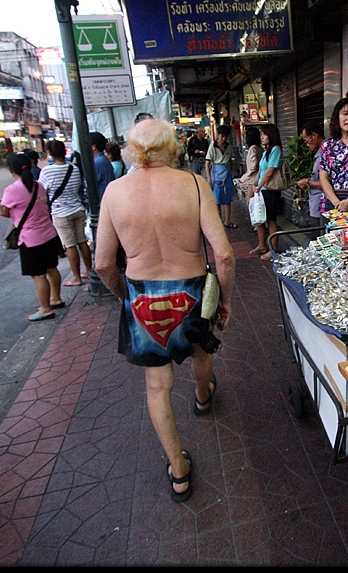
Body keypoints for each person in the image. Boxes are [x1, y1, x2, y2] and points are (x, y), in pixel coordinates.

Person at [94, 119, 235, 503]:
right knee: (202, 349)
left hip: (142, 297)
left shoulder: (114, 192)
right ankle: (203, 397)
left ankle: (179, 470)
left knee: (157, 387)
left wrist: (125, 295)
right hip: (191, 290)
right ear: (172, 147)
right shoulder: (193, 184)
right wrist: (224, 300)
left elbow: (104, 264)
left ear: (132, 150)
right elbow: (223, 254)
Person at [0, 152, 65, 321]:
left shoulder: (12, 190)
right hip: (49, 233)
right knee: (52, 268)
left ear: (11, 170)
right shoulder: (38, 185)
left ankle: (45, 309)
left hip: (30, 238)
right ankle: (56, 298)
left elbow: (6, 213)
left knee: (39, 275)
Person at [40, 140, 92, 287]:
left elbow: (43, 191)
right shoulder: (74, 169)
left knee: (70, 246)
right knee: (82, 242)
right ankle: (88, 270)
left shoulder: (47, 171)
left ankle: (76, 277)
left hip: (61, 213)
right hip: (77, 209)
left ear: (50, 153)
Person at [252, 123, 284, 261]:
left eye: (264, 134)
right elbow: (261, 170)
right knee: (259, 219)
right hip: (261, 190)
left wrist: (259, 185)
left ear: (271, 135)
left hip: (270, 190)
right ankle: (262, 245)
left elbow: (270, 171)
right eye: (261, 135)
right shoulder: (266, 151)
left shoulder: (275, 150)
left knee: (271, 220)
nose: (262, 137)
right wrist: (254, 184)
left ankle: (273, 250)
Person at [295, 120, 326, 227]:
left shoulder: (326, 154)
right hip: (316, 205)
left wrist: (307, 182)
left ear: (314, 136)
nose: (307, 145)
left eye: (306, 141)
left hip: (321, 206)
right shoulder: (319, 153)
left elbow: (327, 184)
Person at [205, 124, 236, 228]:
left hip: (227, 172)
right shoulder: (212, 146)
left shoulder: (229, 146)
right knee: (216, 198)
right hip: (216, 173)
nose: (223, 139)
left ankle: (227, 221)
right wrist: (209, 178)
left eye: (225, 137)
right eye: (222, 136)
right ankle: (219, 221)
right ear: (218, 135)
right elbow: (207, 162)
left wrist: (232, 172)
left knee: (228, 197)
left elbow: (231, 160)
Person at [89, 132, 114, 202]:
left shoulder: (98, 162)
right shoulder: (102, 159)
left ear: (93, 147)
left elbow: (91, 183)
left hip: (102, 199)